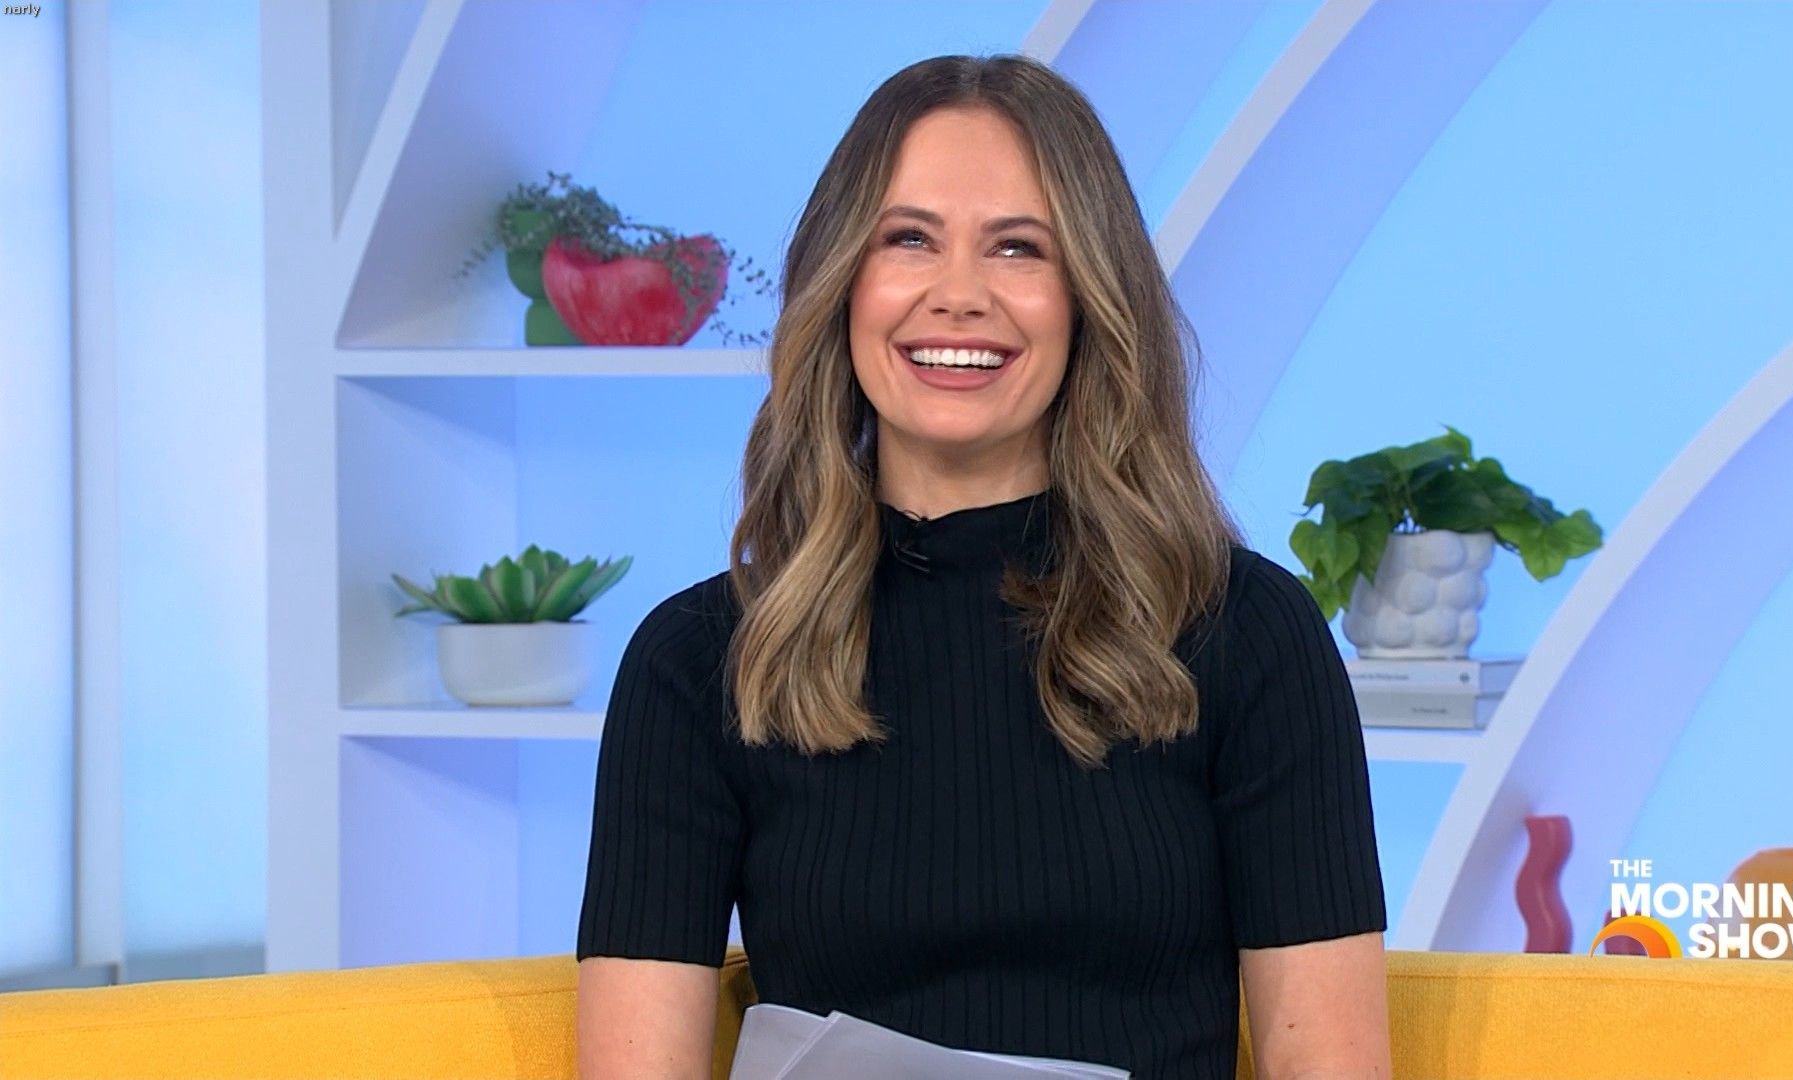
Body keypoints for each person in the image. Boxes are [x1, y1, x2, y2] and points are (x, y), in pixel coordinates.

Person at [576, 53, 1390, 1080]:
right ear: (842, 285)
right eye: (908, 239)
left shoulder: (1247, 633)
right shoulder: (697, 661)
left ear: (1089, 299)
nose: (958, 296)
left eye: (1018, 248)